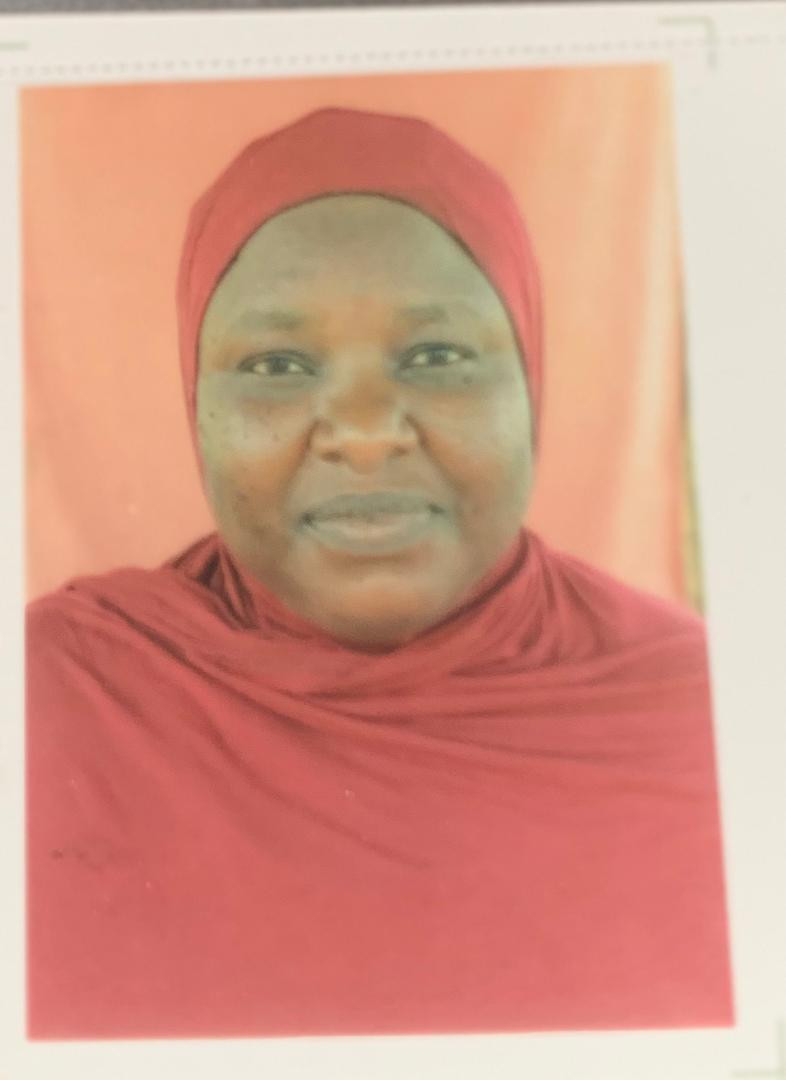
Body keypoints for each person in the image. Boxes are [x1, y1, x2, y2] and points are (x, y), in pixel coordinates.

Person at [26, 107, 732, 1039]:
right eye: (276, 364)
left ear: (530, 383)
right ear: (197, 406)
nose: (363, 433)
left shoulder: (708, 713)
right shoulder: (61, 700)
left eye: (437, 356)